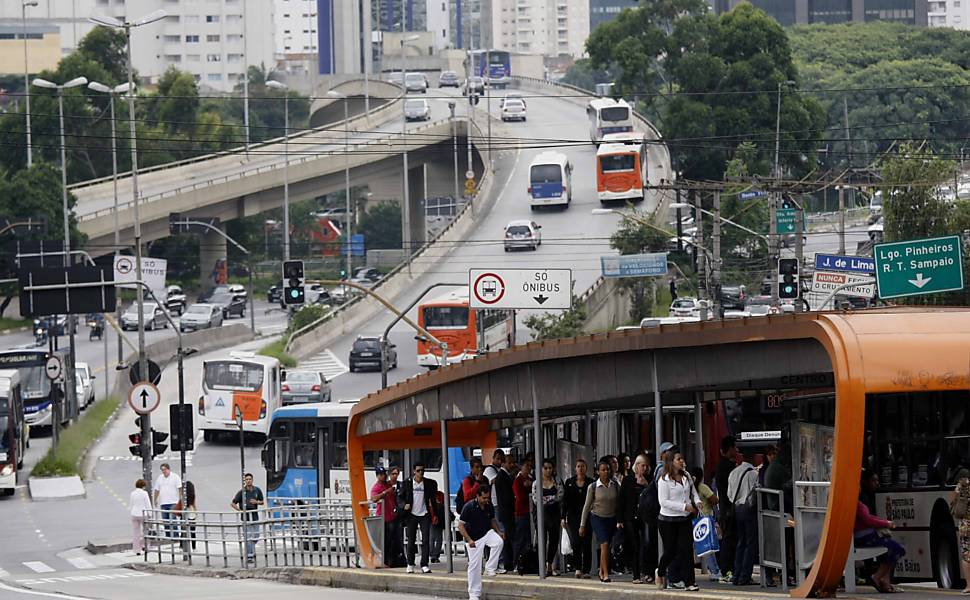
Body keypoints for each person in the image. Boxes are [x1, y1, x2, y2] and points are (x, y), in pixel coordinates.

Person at [657, 449, 701, 591]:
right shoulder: (664, 480)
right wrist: (684, 507)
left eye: (682, 459)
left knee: (686, 550)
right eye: (678, 459)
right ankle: (661, 570)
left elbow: (693, 491)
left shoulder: (686, 475)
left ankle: (690, 582)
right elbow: (663, 502)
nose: (682, 461)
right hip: (667, 520)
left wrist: (697, 501)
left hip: (684, 520)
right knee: (671, 551)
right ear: (671, 462)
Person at [856, 470, 905, 593]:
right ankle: (877, 576)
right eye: (873, 481)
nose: (877, 484)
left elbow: (870, 517)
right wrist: (886, 523)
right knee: (897, 548)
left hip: (863, 536)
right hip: (864, 537)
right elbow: (867, 519)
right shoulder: (859, 501)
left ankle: (885, 581)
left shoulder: (862, 499)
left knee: (889, 550)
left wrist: (884, 522)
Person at [458, 485, 506, 600]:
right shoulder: (469, 507)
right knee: (474, 566)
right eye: (484, 498)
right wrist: (469, 540)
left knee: (498, 542)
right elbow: (460, 525)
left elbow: (492, 520)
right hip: (473, 538)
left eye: (487, 498)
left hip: (486, 532)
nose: (486, 500)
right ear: (478, 496)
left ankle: (490, 568)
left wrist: (498, 531)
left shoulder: (488, 505)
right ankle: (474, 594)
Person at [580, 458, 619, 583]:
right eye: (603, 470)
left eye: (607, 469)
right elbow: (586, 506)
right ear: (598, 472)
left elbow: (619, 503)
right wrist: (582, 525)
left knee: (607, 547)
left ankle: (602, 571)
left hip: (611, 518)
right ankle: (606, 573)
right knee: (604, 544)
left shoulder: (615, 485)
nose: (606, 472)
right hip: (597, 518)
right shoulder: (593, 487)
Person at [727, 448, 759, 586]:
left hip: (736, 509)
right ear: (752, 459)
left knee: (740, 542)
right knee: (750, 543)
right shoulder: (753, 473)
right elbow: (756, 492)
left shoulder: (733, 472)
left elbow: (729, 494)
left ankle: (736, 575)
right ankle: (745, 576)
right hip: (748, 510)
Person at [400, 462, 439, 573]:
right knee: (411, 540)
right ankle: (410, 564)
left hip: (424, 514)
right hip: (411, 515)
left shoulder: (428, 484)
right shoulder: (407, 483)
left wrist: (435, 514)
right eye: (418, 470)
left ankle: (424, 564)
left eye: (422, 470)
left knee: (425, 540)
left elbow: (432, 500)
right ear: (414, 471)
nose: (420, 472)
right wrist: (404, 505)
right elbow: (400, 498)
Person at [620, 454, 649, 583]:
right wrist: (619, 519)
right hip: (630, 517)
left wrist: (646, 484)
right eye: (642, 465)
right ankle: (636, 574)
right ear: (636, 466)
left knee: (646, 544)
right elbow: (621, 499)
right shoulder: (627, 480)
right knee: (635, 545)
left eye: (646, 466)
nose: (644, 468)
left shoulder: (649, 480)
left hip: (645, 517)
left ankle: (647, 571)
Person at [532, 458, 563, 576]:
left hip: (554, 512)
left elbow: (560, 495)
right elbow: (536, 499)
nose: (548, 471)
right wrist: (551, 498)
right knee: (542, 538)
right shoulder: (537, 483)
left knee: (554, 538)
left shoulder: (557, 480)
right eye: (545, 468)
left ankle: (550, 564)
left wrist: (549, 499)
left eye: (550, 468)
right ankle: (542, 564)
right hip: (541, 513)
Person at [562, 458, 592, 579]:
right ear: (575, 468)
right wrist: (563, 517)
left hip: (588, 516)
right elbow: (565, 501)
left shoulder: (591, 482)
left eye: (583, 466)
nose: (580, 468)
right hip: (573, 516)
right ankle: (578, 568)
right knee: (576, 542)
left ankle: (587, 570)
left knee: (587, 543)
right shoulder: (569, 482)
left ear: (586, 468)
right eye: (578, 466)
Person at [690, 467, 721, 581]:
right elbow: (715, 499)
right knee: (709, 546)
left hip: (694, 520)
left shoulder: (690, 489)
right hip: (705, 518)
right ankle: (714, 570)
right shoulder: (702, 487)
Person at [716, 435, 738, 583]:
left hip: (724, 508)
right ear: (729, 449)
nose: (736, 450)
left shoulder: (719, 466)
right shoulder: (729, 467)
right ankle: (727, 571)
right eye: (734, 447)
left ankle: (726, 570)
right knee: (730, 541)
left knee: (727, 540)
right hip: (730, 509)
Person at [230, 473, 264, 564]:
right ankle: (249, 556)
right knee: (248, 537)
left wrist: (256, 502)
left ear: (252, 480)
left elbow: (262, 502)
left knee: (256, 536)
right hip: (246, 518)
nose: (248, 481)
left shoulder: (257, 490)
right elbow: (233, 503)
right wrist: (240, 510)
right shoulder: (242, 492)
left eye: (250, 479)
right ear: (245, 481)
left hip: (254, 516)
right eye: (247, 479)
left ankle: (251, 549)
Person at [370, 466, 399, 567]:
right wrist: (385, 493)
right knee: (386, 540)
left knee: (393, 540)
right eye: (382, 474)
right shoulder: (376, 487)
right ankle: (385, 561)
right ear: (377, 476)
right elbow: (373, 498)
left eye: (385, 474)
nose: (384, 476)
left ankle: (393, 560)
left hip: (392, 516)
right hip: (383, 518)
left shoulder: (388, 484)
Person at [494, 452, 518, 572]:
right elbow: (506, 497)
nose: (512, 465)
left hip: (506, 512)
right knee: (509, 538)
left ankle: (510, 562)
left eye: (513, 462)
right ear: (504, 463)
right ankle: (510, 562)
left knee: (509, 538)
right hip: (506, 512)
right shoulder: (502, 476)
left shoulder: (506, 475)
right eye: (510, 463)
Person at [152, 463, 182, 539]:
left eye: (165, 469)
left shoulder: (175, 477)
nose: (164, 471)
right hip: (163, 503)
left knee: (173, 520)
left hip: (173, 502)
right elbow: (157, 489)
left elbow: (180, 489)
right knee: (166, 521)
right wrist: (155, 499)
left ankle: (175, 537)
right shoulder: (160, 478)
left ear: (169, 469)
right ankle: (168, 537)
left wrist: (181, 499)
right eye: (162, 470)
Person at [952, 472, 970, 594]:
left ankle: (969, 585)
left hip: (966, 525)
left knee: (966, 555)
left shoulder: (961, 485)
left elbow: (953, 501)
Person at [129, 479, 152, 556]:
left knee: (136, 533)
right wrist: (150, 514)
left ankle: (136, 550)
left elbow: (131, 504)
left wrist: (131, 512)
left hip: (134, 514)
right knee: (145, 531)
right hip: (143, 514)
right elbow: (148, 504)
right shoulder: (144, 493)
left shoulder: (133, 493)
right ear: (143, 486)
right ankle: (145, 546)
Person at [430, 488, 450, 563]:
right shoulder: (441, 495)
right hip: (440, 519)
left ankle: (432, 555)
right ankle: (435, 555)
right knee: (439, 538)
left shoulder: (429, 495)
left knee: (431, 538)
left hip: (431, 519)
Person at [178, 481, 198, 553]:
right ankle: (193, 547)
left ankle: (181, 546)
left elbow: (181, 503)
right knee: (192, 532)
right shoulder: (193, 495)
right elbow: (194, 504)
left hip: (184, 514)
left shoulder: (183, 495)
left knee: (183, 531)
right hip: (191, 514)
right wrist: (196, 512)